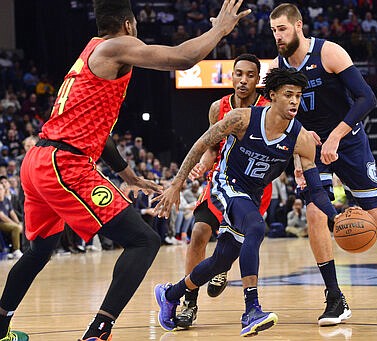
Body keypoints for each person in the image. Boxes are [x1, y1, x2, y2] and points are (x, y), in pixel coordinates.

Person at [0, 1, 251, 340]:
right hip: (64, 164)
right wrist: (220, 29)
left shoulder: (91, 50)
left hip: (39, 163)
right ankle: (98, 333)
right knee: (143, 240)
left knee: (41, 249)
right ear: (130, 25)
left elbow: (97, 130)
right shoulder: (118, 45)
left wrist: (127, 174)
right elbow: (183, 58)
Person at [269, 3, 377, 325]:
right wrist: (298, 154)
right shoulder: (278, 67)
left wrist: (334, 138)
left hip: (349, 141)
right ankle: (334, 296)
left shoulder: (329, 53)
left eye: (282, 29)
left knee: (376, 212)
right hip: (312, 148)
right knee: (315, 212)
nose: (277, 36)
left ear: (298, 25)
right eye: (274, 30)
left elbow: (367, 98)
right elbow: (281, 116)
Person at [153, 68, 343, 337]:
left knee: (222, 260)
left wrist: (336, 216)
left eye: (298, 96)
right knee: (255, 227)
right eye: (288, 95)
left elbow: (316, 190)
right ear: (272, 95)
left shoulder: (300, 138)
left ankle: (170, 294)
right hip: (225, 183)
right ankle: (251, 309)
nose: (294, 102)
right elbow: (200, 145)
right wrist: (176, 184)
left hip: (251, 195)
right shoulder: (241, 119)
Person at [175, 54, 271, 329]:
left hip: (254, 186)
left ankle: (222, 266)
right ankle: (189, 302)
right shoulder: (218, 107)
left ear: (258, 80)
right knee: (198, 233)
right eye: (238, 74)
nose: (243, 80)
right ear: (232, 76)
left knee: (233, 249)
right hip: (222, 179)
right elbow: (211, 147)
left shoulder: (267, 109)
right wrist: (202, 165)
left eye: (250, 75)